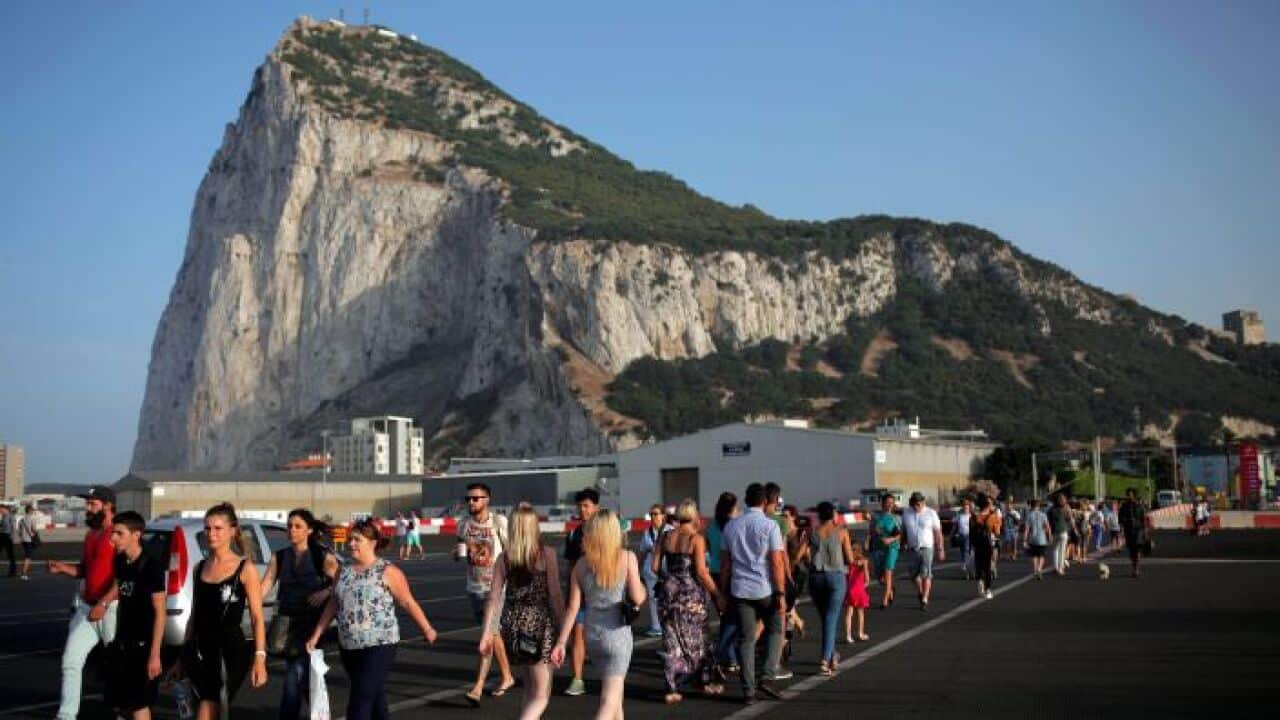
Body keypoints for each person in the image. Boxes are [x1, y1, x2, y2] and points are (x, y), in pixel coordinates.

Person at [307, 518, 439, 720]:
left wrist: (427, 629)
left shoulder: (388, 571)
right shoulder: (343, 571)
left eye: (357, 540)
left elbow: (407, 602)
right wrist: (316, 634)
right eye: (350, 539)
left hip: (380, 645)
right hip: (349, 646)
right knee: (374, 697)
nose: (351, 544)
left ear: (372, 543)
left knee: (360, 699)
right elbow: (333, 603)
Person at [176, 503, 268, 719]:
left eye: (218, 528)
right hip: (199, 650)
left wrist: (260, 658)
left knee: (208, 708)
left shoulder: (245, 568)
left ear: (232, 530)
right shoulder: (199, 567)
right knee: (210, 709)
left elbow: (256, 617)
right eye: (207, 528)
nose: (211, 534)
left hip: (230, 652)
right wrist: (182, 658)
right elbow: (194, 615)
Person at [551, 510, 646, 720]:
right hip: (617, 635)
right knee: (609, 701)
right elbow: (638, 598)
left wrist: (561, 642)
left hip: (592, 636)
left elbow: (573, 608)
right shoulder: (627, 557)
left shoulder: (581, 565)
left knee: (615, 699)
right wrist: (643, 589)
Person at [480, 503, 563, 720]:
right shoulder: (546, 555)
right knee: (542, 694)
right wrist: (564, 629)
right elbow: (555, 594)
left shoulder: (505, 558)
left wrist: (487, 633)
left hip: (512, 625)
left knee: (529, 688)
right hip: (538, 626)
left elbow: (494, 597)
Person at [47, 485, 119, 720]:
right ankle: (66, 715)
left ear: (107, 506)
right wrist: (62, 568)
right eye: (87, 504)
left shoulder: (118, 534)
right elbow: (85, 570)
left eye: (92, 504)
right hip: (87, 608)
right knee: (71, 660)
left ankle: (126, 712)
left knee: (118, 666)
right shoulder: (91, 535)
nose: (87, 508)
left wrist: (105, 604)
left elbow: (125, 576)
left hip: (112, 609)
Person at [261, 509, 340, 720]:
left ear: (309, 530)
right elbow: (266, 584)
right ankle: (320, 712)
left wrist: (325, 591)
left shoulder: (321, 555)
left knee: (294, 674)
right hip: (287, 623)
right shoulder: (279, 557)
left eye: (297, 526)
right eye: (289, 526)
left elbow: (341, 582)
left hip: (312, 624)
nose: (291, 530)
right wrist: (249, 599)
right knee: (302, 676)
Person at [718, 482, 788, 705]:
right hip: (764, 588)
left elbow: (725, 563)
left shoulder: (730, 526)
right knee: (776, 628)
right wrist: (781, 593)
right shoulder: (770, 526)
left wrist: (722, 591)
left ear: (746, 500)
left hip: (740, 590)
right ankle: (767, 676)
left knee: (746, 639)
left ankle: (748, 691)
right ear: (765, 501)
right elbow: (776, 562)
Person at [653, 498, 724, 704]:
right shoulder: (696, 539)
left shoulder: (665, 536)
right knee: (698, 639)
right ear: (693, 517)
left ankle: (671, 687)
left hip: (668, 594)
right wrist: (717, 594)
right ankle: (703, 681)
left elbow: (655, 567)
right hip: (690, 596)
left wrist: (669, 578)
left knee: (672, 641)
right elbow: (702, 572)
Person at [456, 483, 515, 706]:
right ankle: (507, 676)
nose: (471, 502)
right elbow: (461, 552)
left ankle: (477, 687)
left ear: (487, 499)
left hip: (495, 589)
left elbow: (511, 554)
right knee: (494, 634)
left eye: (476, 498)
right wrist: (457, 554)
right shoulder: (463, 525)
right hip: (473, 587)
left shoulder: (499, 522)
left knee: (486, 636)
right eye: (468, 498)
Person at [105, 511, 166, 720]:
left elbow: (160, 612)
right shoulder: (120, 561)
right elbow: (120, 590)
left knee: (139, 704)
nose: (113, 538)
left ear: (136, 534)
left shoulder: (151, 566)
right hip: (123, 642)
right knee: (121, 704)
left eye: (119, 534)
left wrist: (155, 654)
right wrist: (103, 604)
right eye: (113, 533)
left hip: (144, 645)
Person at [561, 487, 600, 697]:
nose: (582, 510)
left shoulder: (606, 532)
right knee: (577, 634)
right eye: (580, 506)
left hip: (604, 595)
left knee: (603, 638)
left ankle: (612, 676)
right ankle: (577, 678)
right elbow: (570, 565)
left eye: (586, 506)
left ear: (596, 507)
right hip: (581, 595)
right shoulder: (574, 534)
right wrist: (569, 593)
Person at [808, 502, 854, 675]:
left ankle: (833, 654)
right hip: (835, 577)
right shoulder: (842, 532)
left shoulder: (812, 532)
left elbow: (800, 555)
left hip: (816, 577)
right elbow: (849, 558)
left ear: (819, 515)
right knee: (831, 618)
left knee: (826, 619)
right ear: (833, 515)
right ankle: (825, 660)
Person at [706, 492, 741, 679]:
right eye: (737, 507)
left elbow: (709, 549)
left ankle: (729, 656)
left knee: (724, 615)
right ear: (731, 509)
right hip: (729, 573)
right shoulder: (734, 527)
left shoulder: (711, 527)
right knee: (733, 618)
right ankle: (725, 654)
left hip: (714, 573)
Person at [901, 492, 944, 611]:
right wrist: (902, 543)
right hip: (912, 548)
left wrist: (940, 549)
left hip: (927, 548)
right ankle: (920, 591)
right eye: (914, 503)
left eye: (919, 503)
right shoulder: (907, 513)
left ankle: (925, 598)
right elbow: (904, 530)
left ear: (923, 502)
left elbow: (937, 532)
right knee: (913, 575)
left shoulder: (931, 513)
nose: (916, 506)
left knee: (926, 574)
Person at [638, 504, 671, 638]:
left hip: (667, 569)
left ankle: (669, 625)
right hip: (650, 571)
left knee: (668, 597)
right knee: (652, 598)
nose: (653, 516)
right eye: (651, 514)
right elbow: (642, 553)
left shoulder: (671, 530)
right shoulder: (647, 532)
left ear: (663, 516)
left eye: (656, 513)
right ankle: (656, 626)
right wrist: (636, 570)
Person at [869, 494, 901, 609]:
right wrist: (867, 543)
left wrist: (890, 539)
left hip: (892, 548)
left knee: (888, 571)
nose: (889, 505)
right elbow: (871, 533)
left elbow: (899, 535)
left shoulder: (896, 518)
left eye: (892, 503)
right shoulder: (876, 518)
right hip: (877, 548)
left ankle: (885, 600)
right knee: (880, 577)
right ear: (882, 503)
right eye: (887, 502)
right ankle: (890, 589)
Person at [970, 494, 1001, 599]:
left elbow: (971, 533)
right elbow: (997, 532)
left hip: (977, 544)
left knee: (978, 565)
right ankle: (988, 590)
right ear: (988, 505)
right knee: (987, 567)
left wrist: (972, 545)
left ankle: (980, 581)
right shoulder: (993, 516)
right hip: (988, 543)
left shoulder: (974, 517)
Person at [1119, 488, 1151, 578]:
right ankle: (1134, 567)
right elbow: (1120, 518)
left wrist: (1145, 531)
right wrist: (1122, 527)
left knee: (1137, 549)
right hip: (1128, 530)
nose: (1129, 496)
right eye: (1128, 494)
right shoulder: (1124, 506)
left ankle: (1136, 569)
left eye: (1130, 494)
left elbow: (1144, 518)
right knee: (1131, 551)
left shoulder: (1140, 506)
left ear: (1134, 495)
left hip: (1138, 530)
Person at [842, 543, 871, 643]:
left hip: (849, 590)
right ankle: (860, 633)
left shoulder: (847, 563)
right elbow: (867, 579)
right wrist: (864, 586)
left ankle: (848, 635)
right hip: (859, 590)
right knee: (860, 613)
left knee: (849, 613)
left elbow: (844, 577)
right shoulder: (864, 562)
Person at [1021, 498, 1052, 579]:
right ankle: (1039, 569)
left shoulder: (1029, 515)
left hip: (1033, 538)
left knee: (1034, 555)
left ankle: (1035, 570)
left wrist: (1024, 540)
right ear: (1039, 506)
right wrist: (1049, 536)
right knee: (1041, 556)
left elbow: (1027, 529)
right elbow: (1048, 527)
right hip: (1042, 539)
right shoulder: (1043, 515)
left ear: (1031, 506)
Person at [1048, 494, 1072, 576]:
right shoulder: (1065, 508)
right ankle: (1061, 569)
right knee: (1062, 551)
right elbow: (1069, 519)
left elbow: (1048, 522)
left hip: (1055, 531)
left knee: (1055, 550)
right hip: (1063, 531)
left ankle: (1055, 567)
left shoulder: (1051, 510)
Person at [17, 503, 43, 579]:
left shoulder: (21, 519)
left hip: (23, 540)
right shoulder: (31, 519)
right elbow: (34, 530)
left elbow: (19, 532)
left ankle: (23, 571)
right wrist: (36, 533)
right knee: (28, 557)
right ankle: (24, 574)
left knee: (26, 556)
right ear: (30, 511)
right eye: (32, 510)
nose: (33, 512)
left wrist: (22, 537)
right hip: (29, 540)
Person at [952, 497, 973, 580]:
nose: (965, 507)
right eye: (964, 505)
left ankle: (966, 567)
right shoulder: (959, 516)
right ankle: (967, 573)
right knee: (963, 553)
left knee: (968, 552)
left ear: (969, 507)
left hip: (970, 536)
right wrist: (952, 534)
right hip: (961, 536)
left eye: (967, 505)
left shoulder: (972, 516)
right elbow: (954, 525)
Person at [0, 504, 15, 577]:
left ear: (4, 509)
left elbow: (13, 527)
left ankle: (13, 571)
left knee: (10, 555)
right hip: (1, 536)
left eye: (1, 510)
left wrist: (12, 537)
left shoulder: (11, 516)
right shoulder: (3, 516)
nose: (0, 511)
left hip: (7, 536)